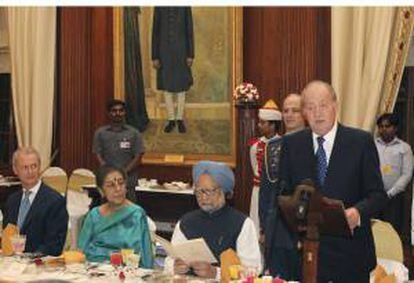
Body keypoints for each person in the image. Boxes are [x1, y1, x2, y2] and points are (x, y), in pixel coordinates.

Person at [275, 80, 387, 282]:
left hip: (351, 255)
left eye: (323, 105)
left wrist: (357, 213)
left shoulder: (360, 142)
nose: (317, 113)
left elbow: (378, 195)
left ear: (335, 106)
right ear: (304, 113)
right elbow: (284, 193)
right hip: (307, 256)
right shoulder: (292, 144)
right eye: (310, 107)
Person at [170, 161, 261, 280]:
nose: (203, 197)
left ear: (224, 191)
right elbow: (169, 259)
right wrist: (175, 267)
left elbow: (252, 270)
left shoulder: (242, 223)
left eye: (209, 191)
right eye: (198, 191)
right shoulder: (186, 222)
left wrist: (216, 273)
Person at [78, 165, 153, 267]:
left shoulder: (136, 214)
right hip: (93, 272)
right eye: (111, 185)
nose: (118, 189)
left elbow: (145, 256)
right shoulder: (94, 215)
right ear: (101, 191)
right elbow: (80, 251)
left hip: (126, 273)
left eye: (121, 183)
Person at [3, 147, 68, 256]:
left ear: (39, 167)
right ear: (15, 170)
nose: (30, 172)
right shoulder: (12, 201)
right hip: (12, 264)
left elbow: (54, 246)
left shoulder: (55, 201)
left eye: (34, 166)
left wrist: (27, 258)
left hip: (38, 265)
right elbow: (7, 237)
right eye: (25, 167)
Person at [152, 7, 194, 133]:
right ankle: (171, 119)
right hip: (163, 52)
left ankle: (180, 119)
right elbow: (155, 32)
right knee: (167, 86)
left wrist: (190, 54)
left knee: (181, 87)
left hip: (182, 51)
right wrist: (155, 56)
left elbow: (189, 31)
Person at [93, 99, 144, 202]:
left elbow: (138, 157)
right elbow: (97, 155)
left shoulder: (134, 133)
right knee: (107, 215)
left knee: (129, 214)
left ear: (124, 113)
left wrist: (122, 173)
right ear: (109, 113)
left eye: (121, 110)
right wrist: (109, 173)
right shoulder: (100, 133)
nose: (118, 113)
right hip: (107, 183)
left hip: (127, 182)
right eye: (114, 111)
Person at [375, 113, 413, 233]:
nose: (383, 129)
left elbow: (407, 174)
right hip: (373, 196)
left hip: (393, 198)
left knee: (391, 232)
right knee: (373, 230)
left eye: (387, 126)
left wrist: (390, 193)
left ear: (395, 128)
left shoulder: (404, 148)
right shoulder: (372, 145)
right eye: (381, 126)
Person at [249, 99, 282, 237]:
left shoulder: (282, 144)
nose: (259, 125)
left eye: (263, 123)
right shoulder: (256, 146)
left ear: (272, 125)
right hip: (257, 191)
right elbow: (254, 166)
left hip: (274, 192)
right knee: (255, 224)